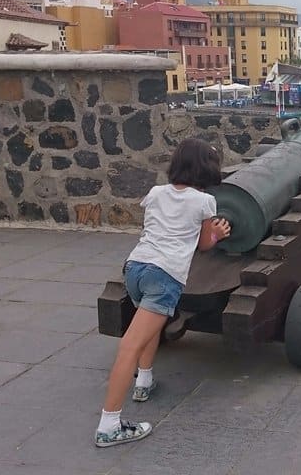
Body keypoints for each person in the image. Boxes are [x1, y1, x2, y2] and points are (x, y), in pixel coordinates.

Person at [94, 138, 232, 448]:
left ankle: (144, 381)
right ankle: (109, 425)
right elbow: (203, 244)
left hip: (135, 269)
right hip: (164, 276)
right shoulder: (204, 201)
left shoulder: (156, 193)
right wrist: (218, 234)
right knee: (130, 345)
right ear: (206, 168)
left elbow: (159, 226)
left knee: (147, 330)